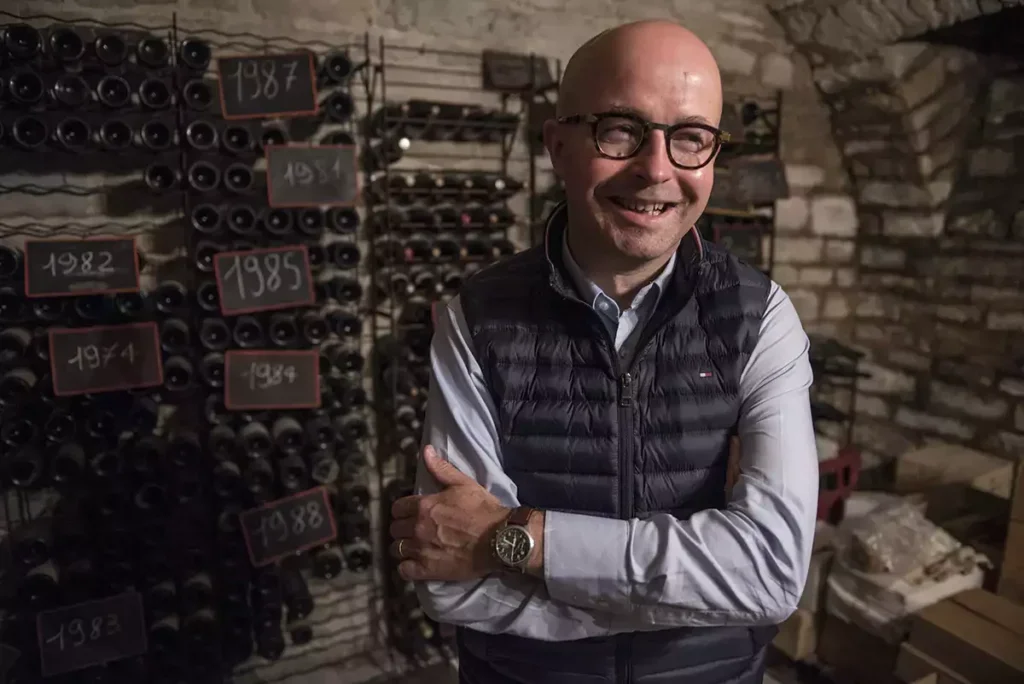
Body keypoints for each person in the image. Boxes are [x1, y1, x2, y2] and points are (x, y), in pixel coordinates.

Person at [387, 19, 819, 684]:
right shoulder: (475, 319)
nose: (656, 169)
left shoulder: (760, 317)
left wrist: (518, 544)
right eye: (619, 129)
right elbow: (454, 588)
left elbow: (769, 574)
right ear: (558, 146)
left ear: (712, 156)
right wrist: (692, 591)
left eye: (690, 139)